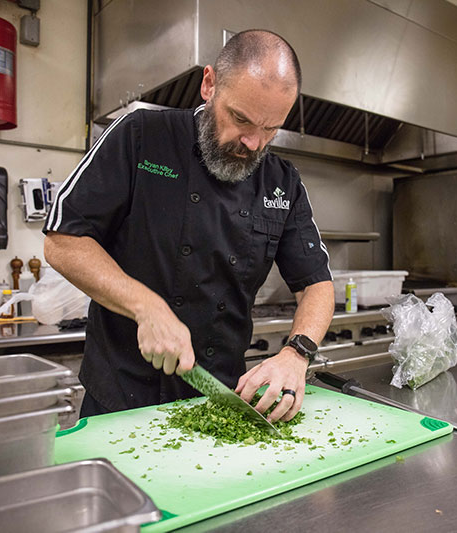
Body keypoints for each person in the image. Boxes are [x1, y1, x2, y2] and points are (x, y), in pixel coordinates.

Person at [43, 30, 334, 423]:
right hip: (121, 402)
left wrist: (295, 354)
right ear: (209, 84)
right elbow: (63, 241)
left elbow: (316, 284)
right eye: (241, 119)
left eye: (270, 129)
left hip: (217, 402)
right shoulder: (141, 137)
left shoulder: (282, 181)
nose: (252, 143)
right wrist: (146, 307)